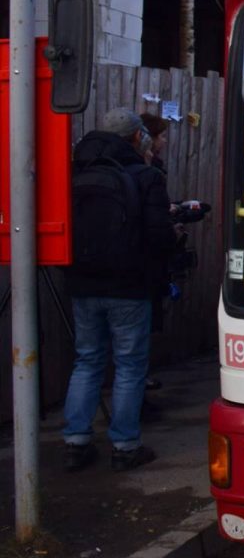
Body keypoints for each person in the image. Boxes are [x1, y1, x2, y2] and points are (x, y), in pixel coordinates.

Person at [61, 108, 175, 472]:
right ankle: (125, 446)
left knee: (87, 360)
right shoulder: (145, 176)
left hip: (82, 283)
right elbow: (159, 237)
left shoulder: (75, 173)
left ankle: (76, 442)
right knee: (129, 365)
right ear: (137, 137)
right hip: (128, 286)